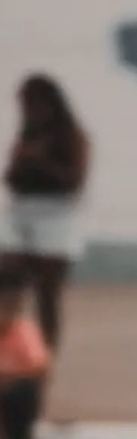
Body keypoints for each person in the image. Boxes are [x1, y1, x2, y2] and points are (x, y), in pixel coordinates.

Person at [3, 74, 90, 352]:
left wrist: (40, 161)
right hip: (23, 215)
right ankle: (9, 349)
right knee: (7, 285)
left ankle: (45, 352)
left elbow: (73, 182)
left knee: (47, 295)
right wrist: (21, 162)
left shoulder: (72, 137)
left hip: (57, 219)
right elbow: (11, 179)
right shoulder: (27, 136)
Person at [0, 263, 52, 439]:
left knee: (25, 390)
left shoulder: (25, 333)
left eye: (12, 305)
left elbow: (38, 368)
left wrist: (7, 379)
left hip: (9, 398)